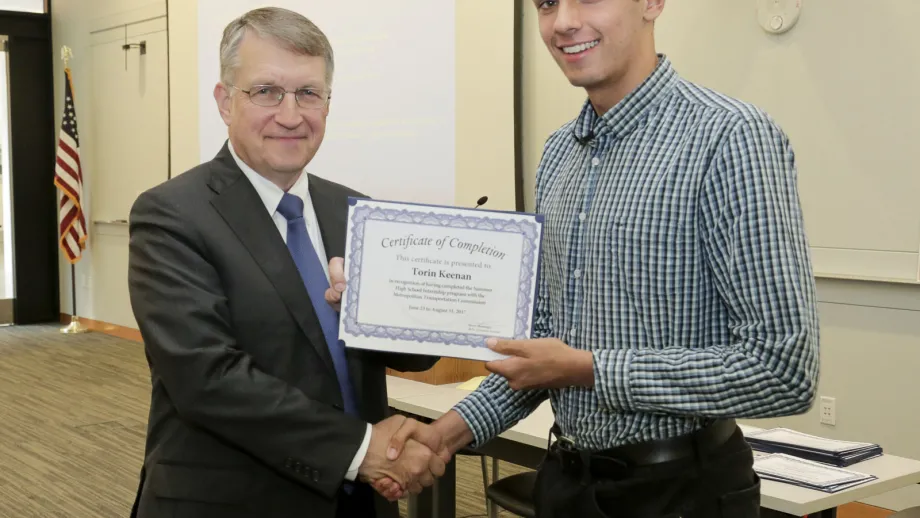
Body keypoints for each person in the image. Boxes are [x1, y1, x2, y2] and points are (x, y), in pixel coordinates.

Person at [334, 0, 820, 516]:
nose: (562, 21)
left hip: (682, 491)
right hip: (567, 483)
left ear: (652, 3)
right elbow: (541, 356)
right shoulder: (558, 154)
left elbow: (783, 369)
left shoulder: (730, 138)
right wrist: (444, 436)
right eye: (546, 3)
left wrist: (587, 370)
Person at [127, 7, 447, 518]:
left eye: (308, 93)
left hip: (358, 503)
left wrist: (416, 310)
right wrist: (362, 449)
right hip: (232, 502)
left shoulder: (358, 212)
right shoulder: (171, 215)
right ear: (224, 101)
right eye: (266, 91)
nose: (291, 115)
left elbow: (414, 357)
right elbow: (207, 379)